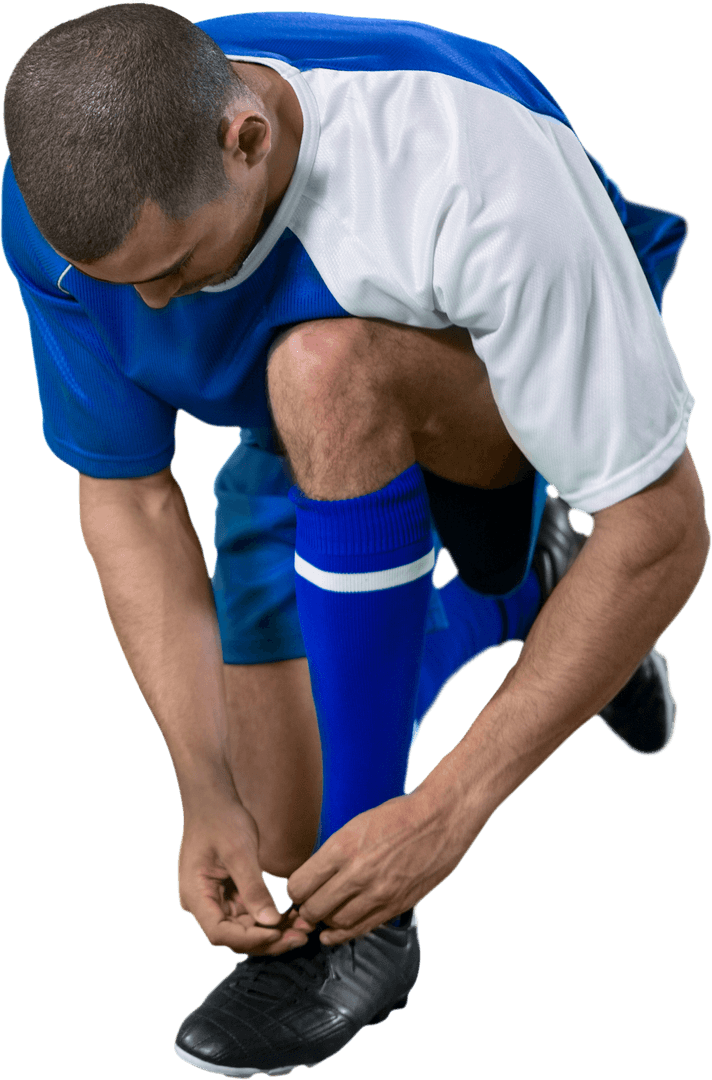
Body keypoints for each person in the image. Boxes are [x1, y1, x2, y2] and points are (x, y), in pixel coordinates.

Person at [2, 5, 708, 1076]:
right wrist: (200, 794)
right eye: (118, 280)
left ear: (248, 139)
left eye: (174, 265)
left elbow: (660, 528)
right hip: (298, 440)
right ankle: (526, 594)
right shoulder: (62, 198)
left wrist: (447, 807)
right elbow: (130, 500)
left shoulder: (477, 164)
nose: (145, 305)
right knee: (290, 837)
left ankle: (376, 937)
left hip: (505, 391)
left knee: (320, 367)